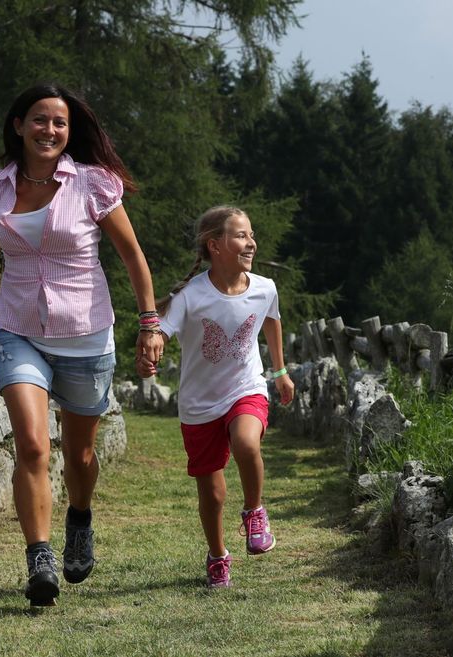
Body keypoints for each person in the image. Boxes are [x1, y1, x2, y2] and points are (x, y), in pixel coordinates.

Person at [0, 83, 163, 606]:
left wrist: (149, 322)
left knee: (81, 453)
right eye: (39, 120)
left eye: (60, 123)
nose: (49, 130)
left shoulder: (94, 184)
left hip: (85, 331)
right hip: (16, 327)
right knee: (31, 444)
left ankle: (80, 516)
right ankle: (40, 560)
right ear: (18, 125)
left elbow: (132, 256)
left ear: (70, 132)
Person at [138, 205, 294, 589]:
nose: (251, 242)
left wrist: (280, 371)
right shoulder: (191, 296)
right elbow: (162, 330)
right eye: (241, 235)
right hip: (199, 403)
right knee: (212, 493)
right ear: (215, 245)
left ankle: (255, 511)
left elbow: (272, 320)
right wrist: (150, 350)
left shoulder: (264, 288)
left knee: (246, 441)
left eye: (251, 234)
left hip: (246, 388)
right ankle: (218, 555)